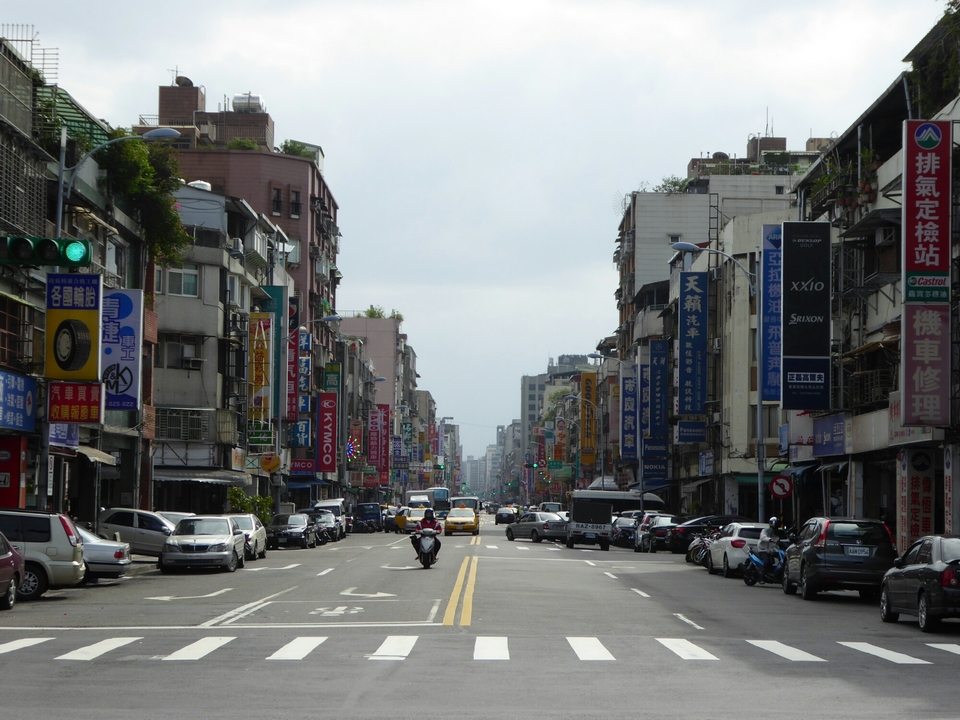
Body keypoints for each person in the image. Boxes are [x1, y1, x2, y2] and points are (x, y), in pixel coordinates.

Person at [756, 516, 781, 583]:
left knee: (772, 562)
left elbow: (778, 542)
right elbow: (763, 537)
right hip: (763, 550)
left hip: (771, 551)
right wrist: (770, 539)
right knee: (766, 562)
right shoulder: (765, 531)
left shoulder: (777, 533)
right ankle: (761, 577)